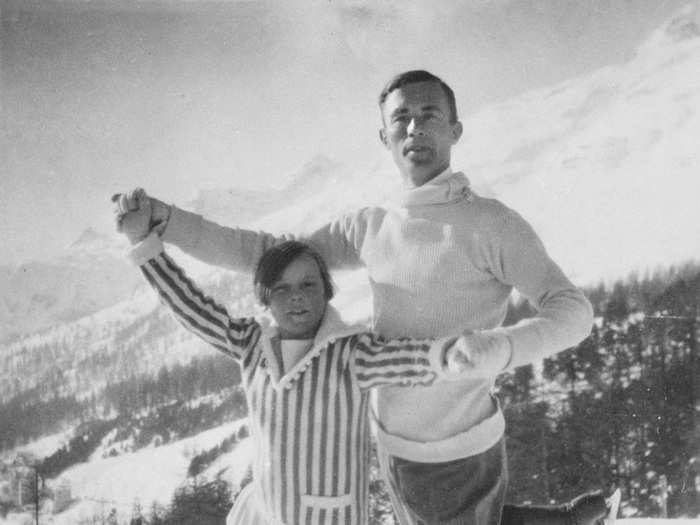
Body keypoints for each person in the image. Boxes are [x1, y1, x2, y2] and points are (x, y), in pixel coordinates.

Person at [114, 69, 618, 524]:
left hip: (456, 442)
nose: (415, 128)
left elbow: (572, 311)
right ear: (385, 136)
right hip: (391, 440)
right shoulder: (372, 226)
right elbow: (273, 255)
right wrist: (165, 221)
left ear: (455, 129)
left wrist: (500, 348)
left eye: (429, 115)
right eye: (402, 118)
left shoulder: (493, 224)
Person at [115, 200, 524, 525]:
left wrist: (451, 354)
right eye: (282, 288)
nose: (296, 296)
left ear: (327, 292)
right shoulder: (250, 344)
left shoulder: (351, 353)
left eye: (309, 284)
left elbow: (407, 358)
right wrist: (147, 250)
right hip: (266, 515)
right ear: (265, 297)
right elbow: (191, 307)